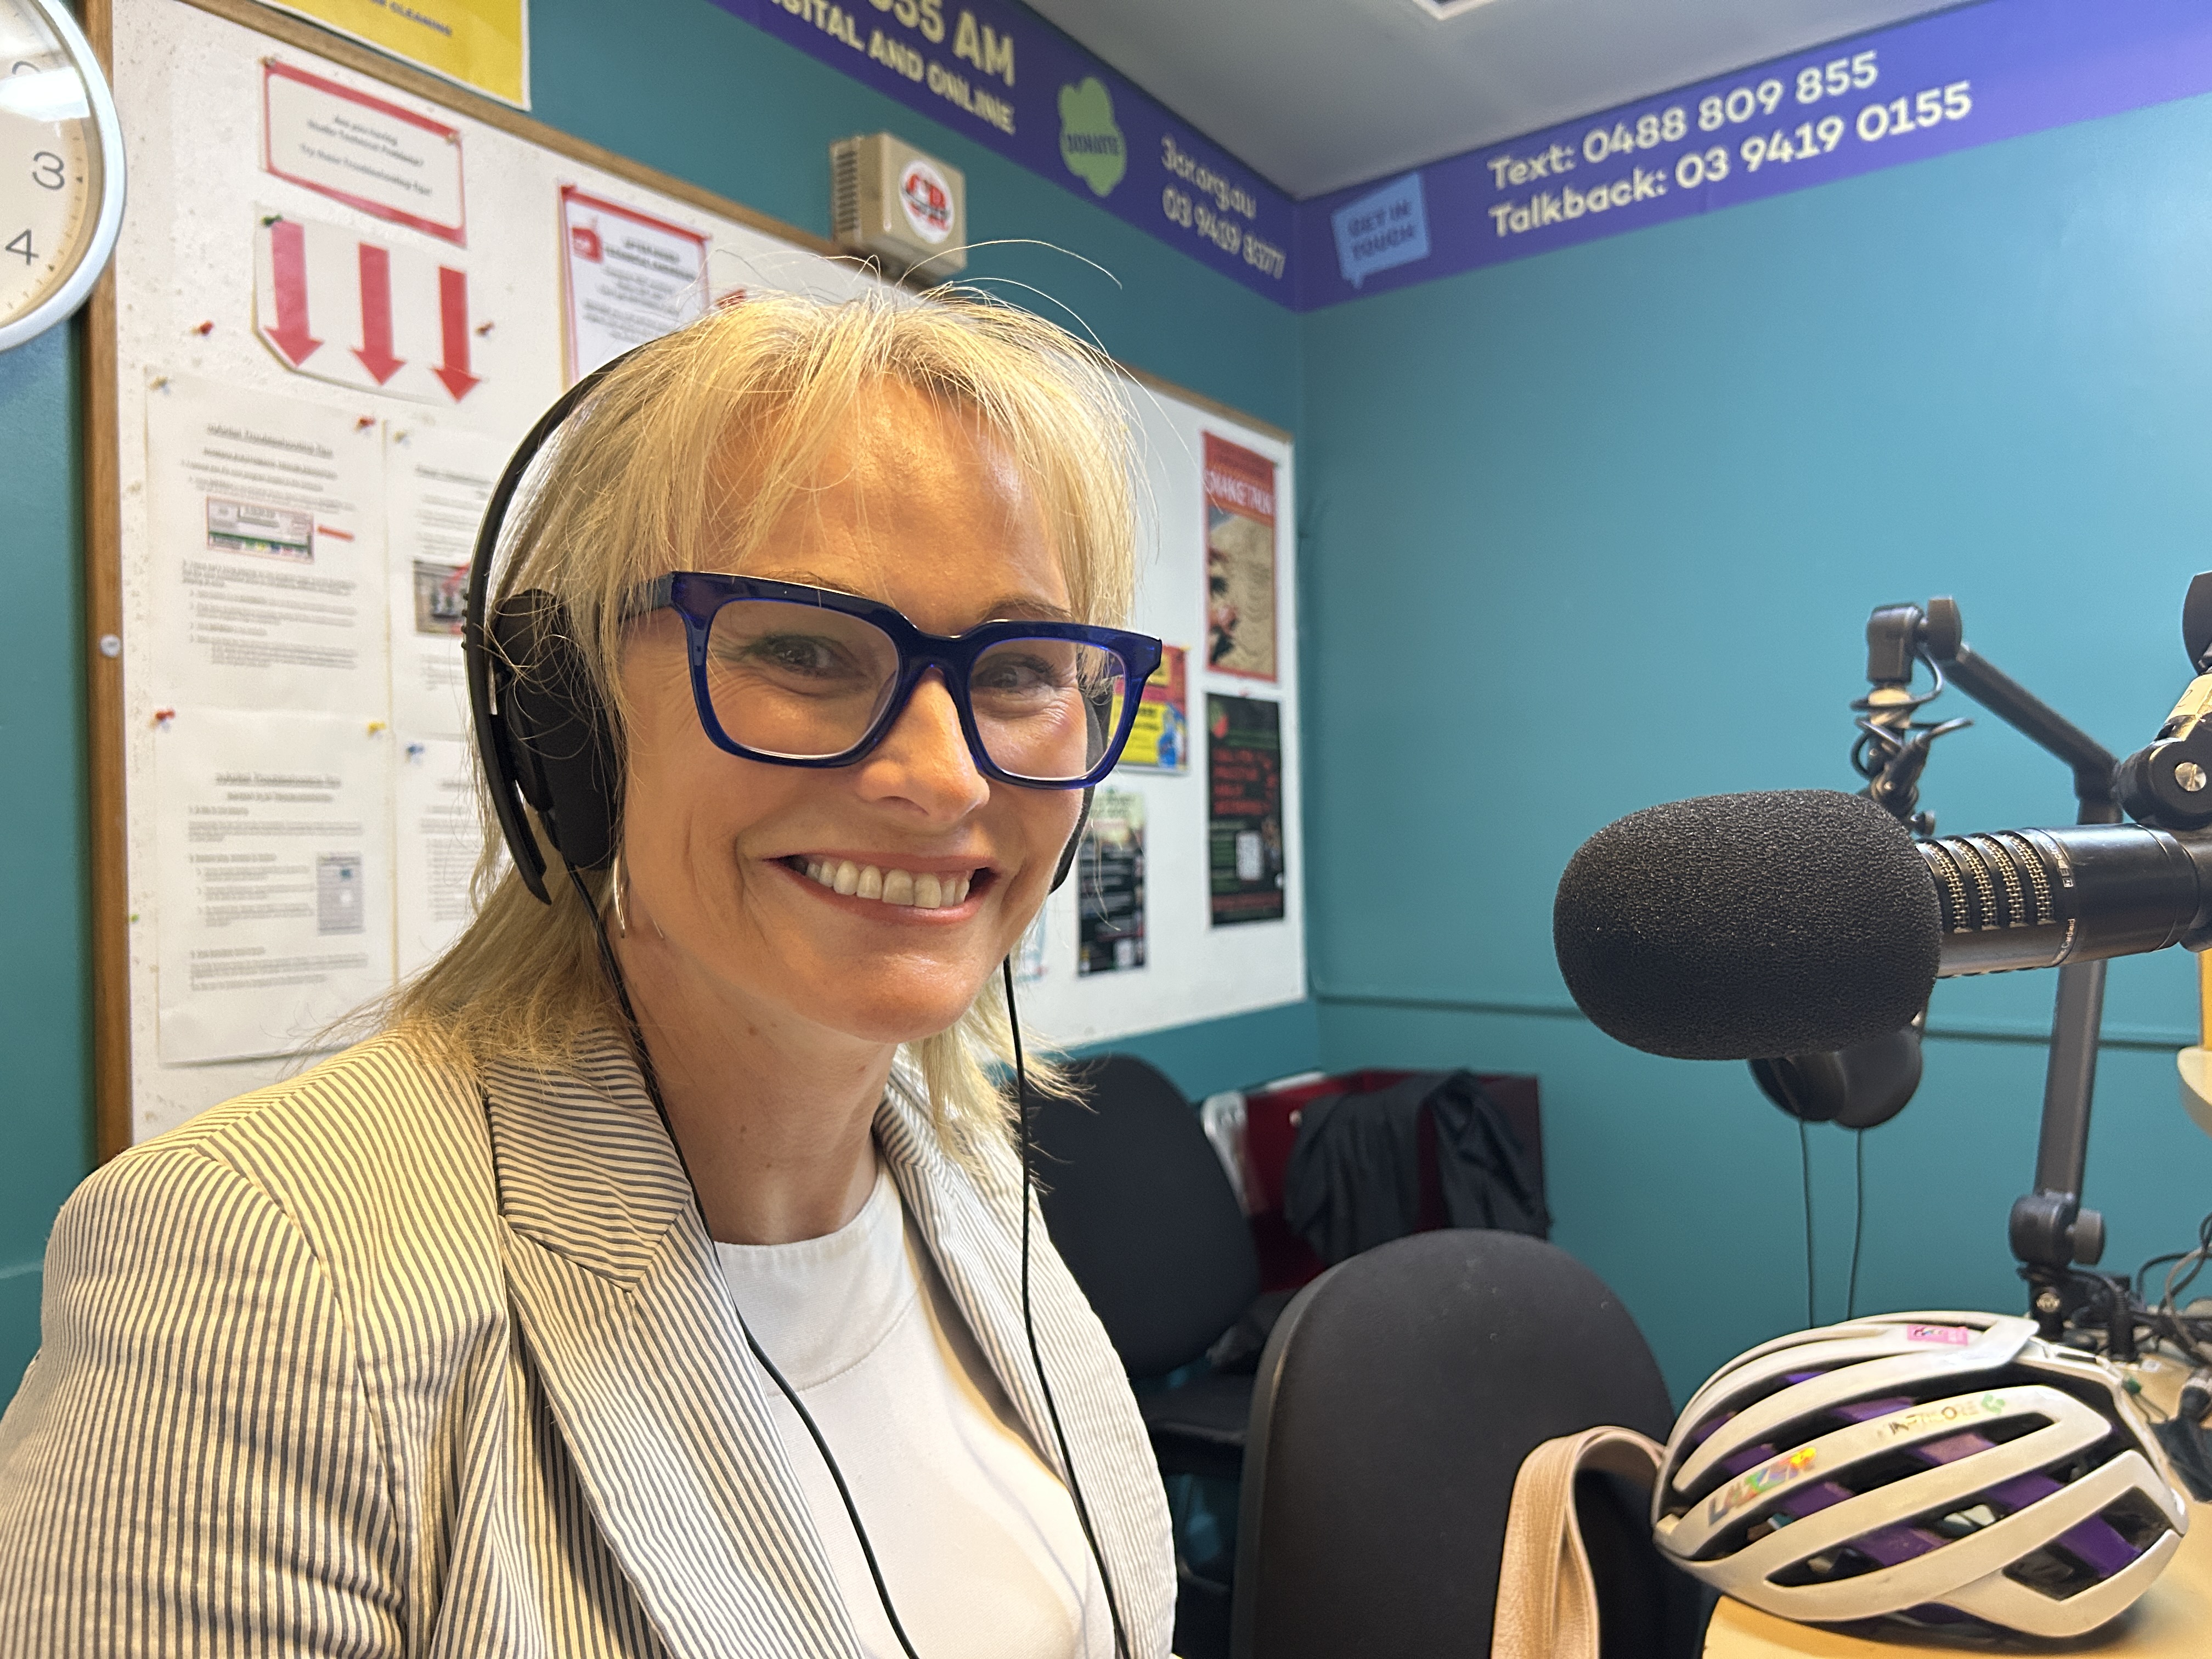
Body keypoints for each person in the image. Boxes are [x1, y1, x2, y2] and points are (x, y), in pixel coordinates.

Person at [0, 292, 1175, 1657]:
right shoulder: (265, 1276)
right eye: (803, 648)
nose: (944, 777)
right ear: (570, 726)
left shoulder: (963, 1178)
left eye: (1022, 668)